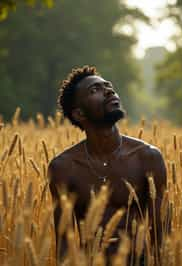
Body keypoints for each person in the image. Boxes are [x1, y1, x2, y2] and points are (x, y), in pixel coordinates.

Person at [48, 66, 167, 265]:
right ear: (79, 114)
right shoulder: (63, 168)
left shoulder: (147, 157)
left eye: (108, 86)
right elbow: (64, 244)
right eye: (95, 90)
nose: (109, 91)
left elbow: (162, 236)